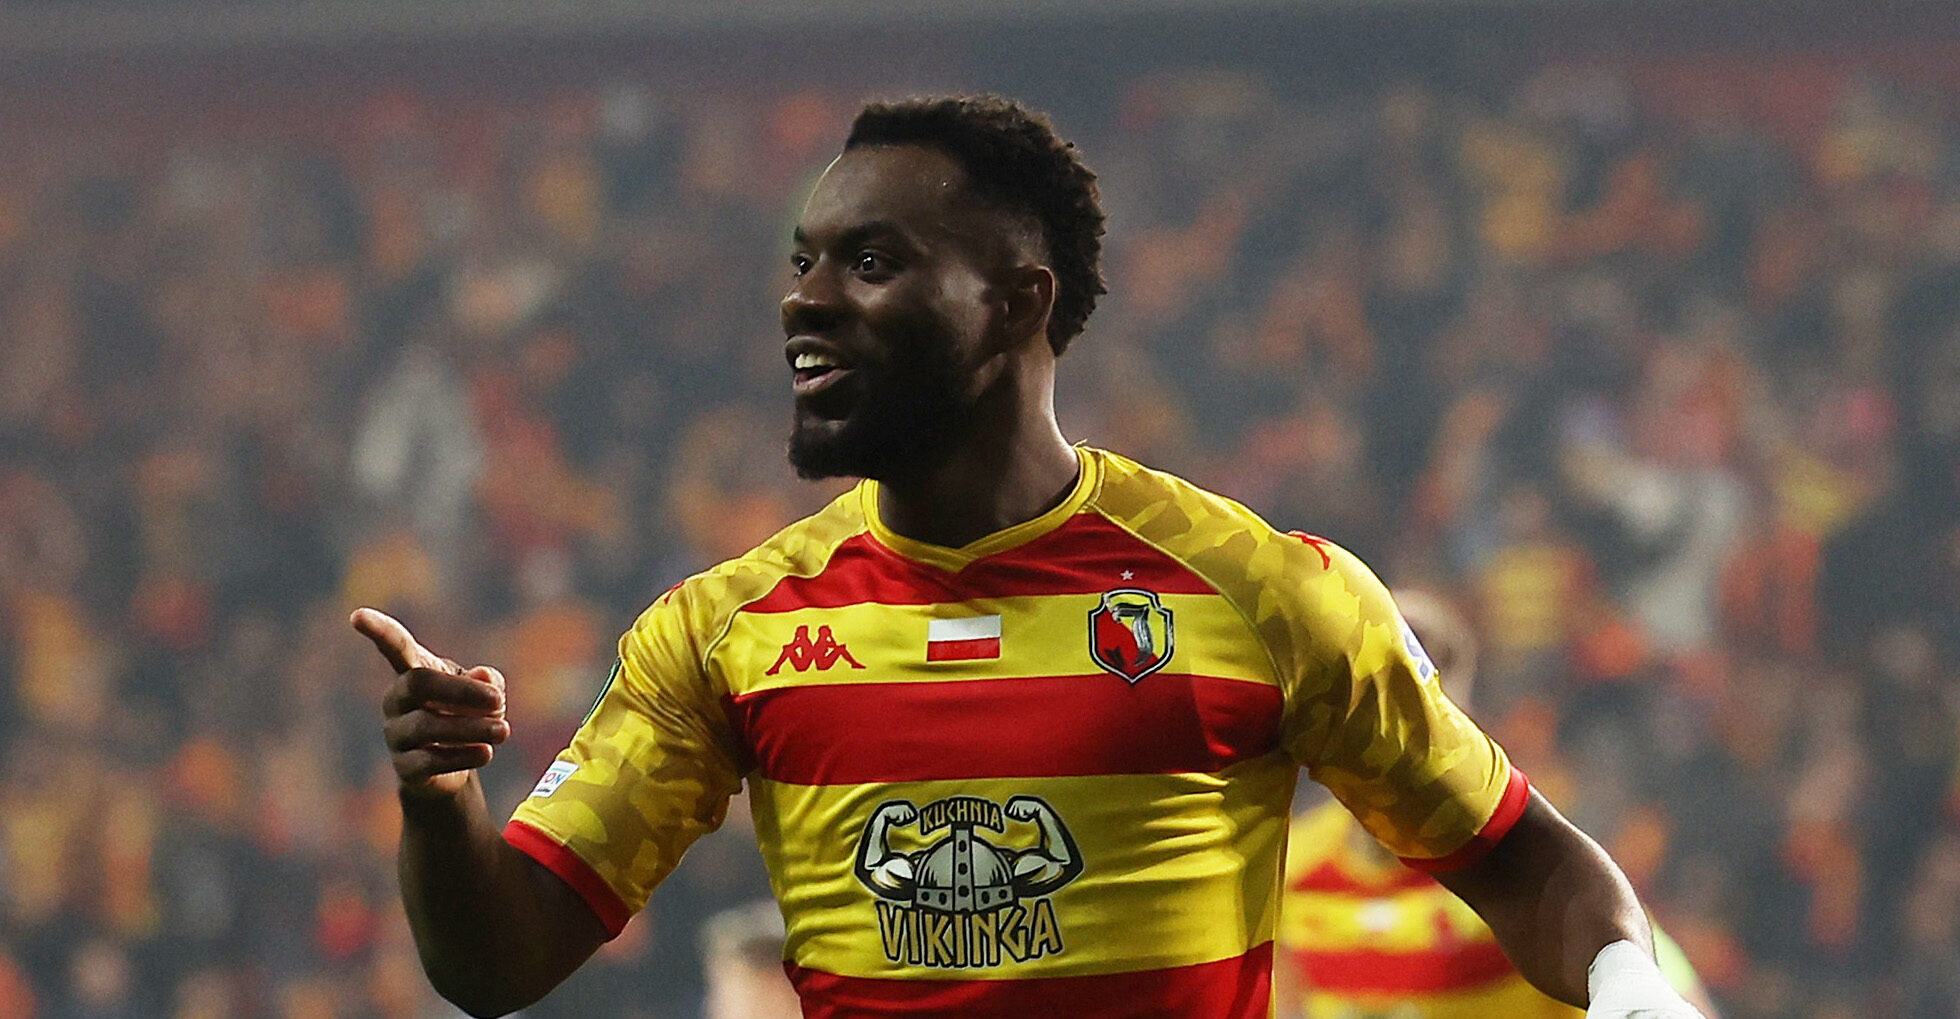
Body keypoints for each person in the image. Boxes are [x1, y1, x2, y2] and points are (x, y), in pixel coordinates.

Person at [353, 94, 1705, 1018]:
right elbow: (499, 956)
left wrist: (1634, 992)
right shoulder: (729, 629)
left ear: (1017, 302)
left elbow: (1533, 866)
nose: (805, 297)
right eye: (805, 258)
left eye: (870, 260)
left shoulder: (1261, 592)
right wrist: (439, 795)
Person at [1275, 590, 1721, 1019]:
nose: (1390, 734)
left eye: (1416, 706)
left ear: (1459, 721)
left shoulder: (1527, 865)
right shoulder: (1287, 867)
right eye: (1369, 697)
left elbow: (1669, 999)